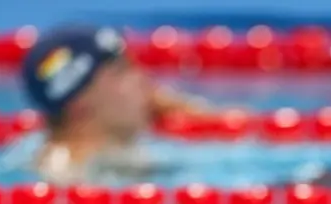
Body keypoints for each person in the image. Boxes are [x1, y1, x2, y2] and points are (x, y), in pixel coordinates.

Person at [19, 24, 210, 184]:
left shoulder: (115, 154)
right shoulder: (68, 174)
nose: (143, 79)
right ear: (79, 103)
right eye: (122, 71)